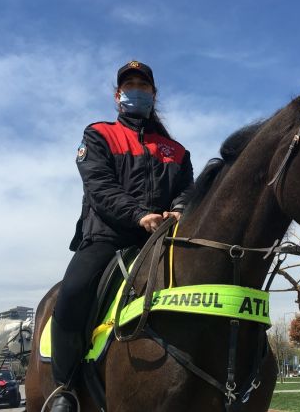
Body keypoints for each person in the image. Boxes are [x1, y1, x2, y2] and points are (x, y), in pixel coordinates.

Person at [50, 60, 194, 411]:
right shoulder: (99, 135)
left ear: (153, 94)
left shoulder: (177, 150)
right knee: (72, 294)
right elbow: (99, 186)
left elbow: (187, 190)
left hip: (161, 238)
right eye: (130, 86)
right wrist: (139, 215)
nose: (136, 92)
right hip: (107, 237)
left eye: (143, 87)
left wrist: (179, 210)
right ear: (118, 95)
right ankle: (65, 388)